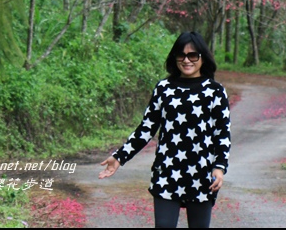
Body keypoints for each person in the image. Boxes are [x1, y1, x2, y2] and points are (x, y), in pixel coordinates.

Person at [98, 31, 231, 228]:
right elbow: (146, 128)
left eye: (192, 55)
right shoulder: (164, 89)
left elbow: (222, 134)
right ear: (174, 57)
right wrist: (119, 157)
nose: (186, 60)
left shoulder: (215, 91)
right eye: (181, 55)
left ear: (202, 58)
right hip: (167, 172)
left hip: (202, 175)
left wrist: (219, 168)